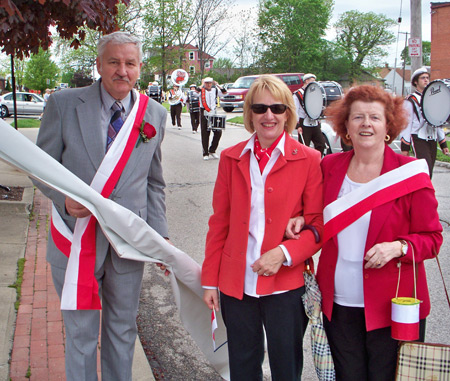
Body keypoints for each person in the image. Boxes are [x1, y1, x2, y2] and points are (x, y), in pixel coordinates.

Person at [34, 31, 169, 381]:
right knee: (80, 334)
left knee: (122, 331)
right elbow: (40, 166)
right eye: (114, 61)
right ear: (99, 64)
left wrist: (160, 240)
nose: (121, 70)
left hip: (127, 245)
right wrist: (62, 198)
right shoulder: (63, 104)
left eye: (129, 63)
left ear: (140, 68)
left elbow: (154, 182)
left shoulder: (154, 113)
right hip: (75, 239)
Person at [286, 85, 443, 381]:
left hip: (396, 306)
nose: (366, 124)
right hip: (340, 304)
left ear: (388, 126)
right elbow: (315, 214)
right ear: (345, 126)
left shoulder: (411, 173)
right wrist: (298, 217)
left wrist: (398, 247)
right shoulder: (329, 166)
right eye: (357, 117)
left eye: (374, 117)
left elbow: (433, 239)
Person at [201, 75, 323, 380]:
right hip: (236, 284)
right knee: (242, 365)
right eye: (260, 108)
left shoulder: (309, 159)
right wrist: (210, 280)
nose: (269, 115)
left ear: (288, 113)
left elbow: (319, 224)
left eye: (277, 108)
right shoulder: (230, 158)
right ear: (249, 113)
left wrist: (283, 252)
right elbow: (219, 222)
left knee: (286, 366)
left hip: (286, 284)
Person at [400, 66, 449, 177]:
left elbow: (438, 121)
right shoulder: (411, 100)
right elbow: (406, 124)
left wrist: (443, 144)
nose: (426, 80)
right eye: (423, 78)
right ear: (416, 82)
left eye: (427, 77)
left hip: (432, 137)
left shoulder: (433, 98)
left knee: (429, 169)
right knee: (424, 169)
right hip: (418, 137)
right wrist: (405, 147)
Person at [293, 73, 326, 155]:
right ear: (306, 81)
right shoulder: (298, 94)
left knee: (321, 144)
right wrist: (297, 125)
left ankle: (317, 161)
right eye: (312, 81)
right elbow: (295, 110)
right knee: (304, 146)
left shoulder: (315, 94)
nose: (314, 83)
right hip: (304, 123)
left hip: (314, 123)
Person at [199, 77, 227, 160]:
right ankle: (205, 153)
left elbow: (225, 93)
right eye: (207, 83)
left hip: (213, 113)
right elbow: (195, 94)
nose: (208, 85)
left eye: (210, 83)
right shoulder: (201, 91)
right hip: (204, 112)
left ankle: (212, 150)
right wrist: (201, 85)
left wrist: (217, 85)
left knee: (218, 132)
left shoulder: (215, 90)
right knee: (205, 133)